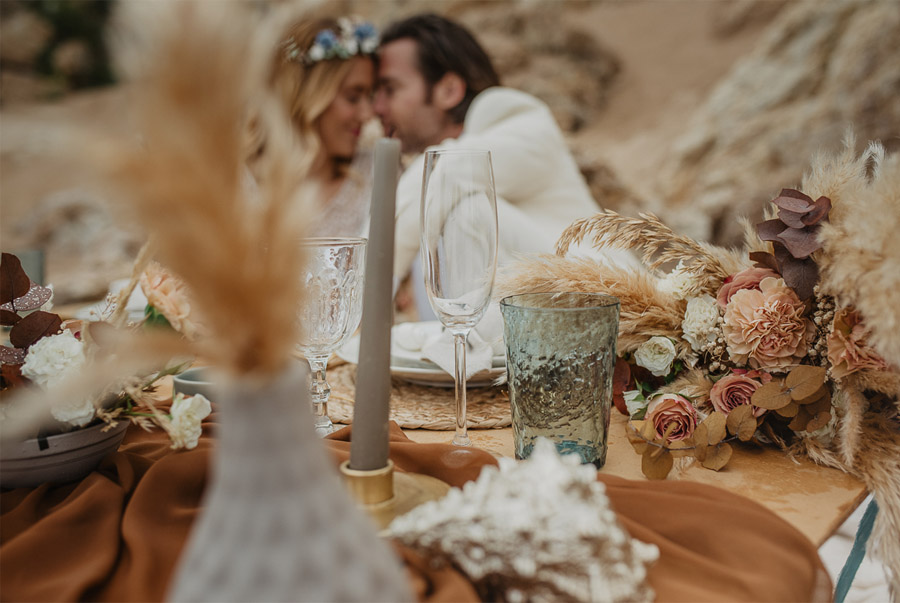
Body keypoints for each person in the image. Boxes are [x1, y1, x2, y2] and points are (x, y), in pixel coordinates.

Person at [374, 13, 633, 291]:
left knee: (466, 206)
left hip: (608, 309)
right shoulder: (421, 200)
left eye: (390, 89)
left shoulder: (522, 122)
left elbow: (449, 173)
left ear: (449, 90)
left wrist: (369, 291)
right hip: (512, 323)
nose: (377, 107)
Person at [248, 16, 379, 237]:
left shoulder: (377, 176)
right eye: (353, 97)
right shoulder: (239, 184)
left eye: (370, 96)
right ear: (308, 97)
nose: (368, 115)